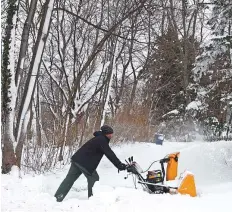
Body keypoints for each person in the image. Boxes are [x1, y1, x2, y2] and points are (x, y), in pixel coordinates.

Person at [54, 125, 127, 202]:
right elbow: (110, 154)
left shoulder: (99, 138)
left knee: (69, 180)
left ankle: (57, 198)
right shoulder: (102, 140)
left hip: (77, 160)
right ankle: (93, 200)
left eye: (112, 134)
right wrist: (120, 166)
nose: (111, 135)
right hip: (85, 163)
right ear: (106, 134)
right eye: (110, 134)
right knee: (94, 179)